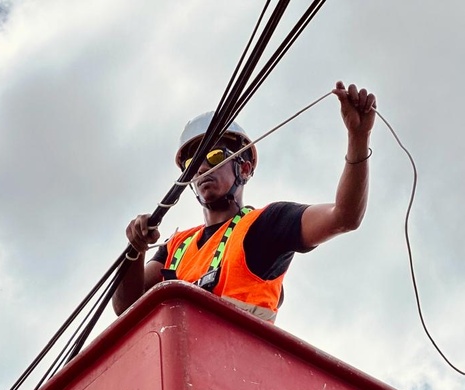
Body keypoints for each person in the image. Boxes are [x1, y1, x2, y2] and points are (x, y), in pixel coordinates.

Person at [112, 81, 376, 322]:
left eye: (214, 156)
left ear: (246, 168)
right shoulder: (175, 248)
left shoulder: (265, 226)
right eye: (192, 165)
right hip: (181, 367)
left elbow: (344, 217)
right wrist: (135, 250)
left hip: (238, 369)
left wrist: (358, 137)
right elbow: (127, 308)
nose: (202, 168)